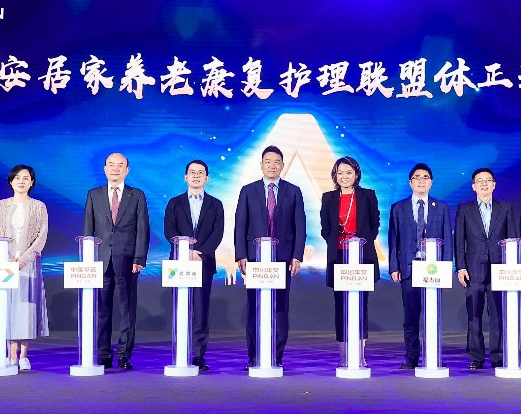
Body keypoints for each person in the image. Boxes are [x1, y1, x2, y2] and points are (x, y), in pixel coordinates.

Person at [234, 145, 305, 368]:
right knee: (255, 307)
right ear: (261, 165)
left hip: (283, 258)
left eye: (276, 162)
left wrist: (297, 255)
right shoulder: (248, 190)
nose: (272, 166)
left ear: (282, 166)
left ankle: (276, 356)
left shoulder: (293, 191)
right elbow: (240, 225)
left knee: (280, 307)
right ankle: (254, 356)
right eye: (268, 161)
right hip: (255, 259)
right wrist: (241, 255)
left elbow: (300, 226)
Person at [83, 152, 149, 371]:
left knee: (126, 309)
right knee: (102, 310)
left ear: (127, 170)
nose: (115, 168)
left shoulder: (136, 195)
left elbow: (143, 229)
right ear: (105, 169)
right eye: (111, 165)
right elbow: (88, 230)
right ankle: (103, 354)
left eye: (120, 165)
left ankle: (124, 354)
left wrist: (139, 257)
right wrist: (88, 260)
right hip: (100, 260)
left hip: (128, 259)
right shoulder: (94, 195)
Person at [387, 163, 453, 369]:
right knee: (411, 316)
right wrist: (394, 267)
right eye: (417, 177)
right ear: (410, 182)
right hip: (409, 268)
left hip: (434, 269)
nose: (421, 181)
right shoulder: (398, 208)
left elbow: (447, 239)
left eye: (425, 177)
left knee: (432, 314)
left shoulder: (441, 207)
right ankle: (412, 357)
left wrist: (446, 267)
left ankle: (433, 355)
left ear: (431, 182)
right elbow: (394, 240)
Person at [163, 160, 225, 372]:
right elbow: (169, 230)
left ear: (207, 178)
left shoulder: (215, 204)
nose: (196, 175)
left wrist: (199, 252)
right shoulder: (174, 203)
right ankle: (180, 352)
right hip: (179, 264)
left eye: (200, 173)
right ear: (185, 177)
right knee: (181, 308)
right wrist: (185, 250)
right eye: (192, 172)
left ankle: (198, 355)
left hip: (203, 263)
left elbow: (217, 233)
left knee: (200, 310)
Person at [454, 168, 518, 370]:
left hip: (500, 269)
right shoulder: (465, 209)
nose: (484, 184)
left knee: (498, 315)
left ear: (494, 185)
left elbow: (512, 238)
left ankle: (498, 356)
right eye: (479, 181)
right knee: (474, 315)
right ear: (474, 186)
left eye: (488, 180)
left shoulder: (505, 208)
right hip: (473, 270)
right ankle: (476, 357)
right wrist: (460, 267)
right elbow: (459, 242)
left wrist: (511, 267)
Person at [320, 156, 381, 364]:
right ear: (335, 176)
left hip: (362, 257)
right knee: (341, 306)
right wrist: (340, 243)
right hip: (338, 257)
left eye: (348, 173)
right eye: (340, 173)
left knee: (361, 305)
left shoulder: (368, 196)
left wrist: (357, 243)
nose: (344, 177)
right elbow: (326, 229)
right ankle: (343, 355)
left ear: (356, 174)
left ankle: (360, 355)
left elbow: (374, 226)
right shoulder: (328, 198)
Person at [0, 165, 49, 370]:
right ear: (11, 181)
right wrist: (6, 257)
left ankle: (23, 356)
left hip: (28, 265)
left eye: (26, 178)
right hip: (5, 265)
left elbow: (41, 236)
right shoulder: (0, 206)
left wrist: (24, 259)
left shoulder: (39, 206)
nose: (21, 181)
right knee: (8, 307)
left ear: (32, 182)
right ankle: (10, 355)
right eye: (17, 178)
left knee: (25, 308)